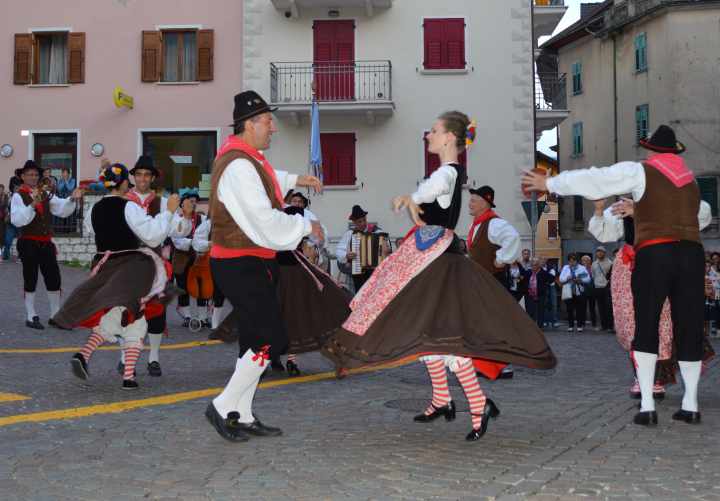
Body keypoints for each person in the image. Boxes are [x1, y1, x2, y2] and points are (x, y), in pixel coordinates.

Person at [323, 111, 556, 441]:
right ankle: (443, 399)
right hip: (430, 256)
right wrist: (415, 206)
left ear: (449, 138)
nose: (428, 135)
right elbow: (430, 203)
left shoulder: (447, 173)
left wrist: (412, 198)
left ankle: (478, 405)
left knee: (444, 337)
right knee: (430, 334)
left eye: (433, 131)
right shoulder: (446, 174)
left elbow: (435, 187)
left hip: (438, 263)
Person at [523, 124, 708, 425]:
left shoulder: (641, 172)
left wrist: (552, 182)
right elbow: (704, 215)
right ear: (675, 152)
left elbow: (597, 177)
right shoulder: (690, 182)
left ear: (651, 151)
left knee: (646, 323)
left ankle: (647, 406)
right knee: (688, 326)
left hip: (655, 253)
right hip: (691, 253)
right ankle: (691, 404)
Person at [204, 90, 323, 442]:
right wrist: (304, 225)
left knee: (256, 340)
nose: (273, 128)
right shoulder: (239, 165)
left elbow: (267, 177)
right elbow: (264, 221)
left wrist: (296, 179)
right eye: (269, 122)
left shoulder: (246, 158)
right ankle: (224, 405)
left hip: (250, 262)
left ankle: (242, 414)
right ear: (250, 124)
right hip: (240, 263)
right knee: (272, 338)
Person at [52, 163, 181, 389]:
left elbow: (92, 231)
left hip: (104, 265)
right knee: (132, 316)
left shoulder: (95, 208)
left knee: (126, 314)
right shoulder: (129, 207)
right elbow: (152, 236)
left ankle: (123, 373)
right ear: (123, 184)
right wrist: (169, 211)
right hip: (131, 268)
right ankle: (97, 360)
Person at [589, 197, 713, 400]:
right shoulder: (624, 203)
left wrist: (644, 208)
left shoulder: (673, 196)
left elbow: (702, 215)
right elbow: (604, 233)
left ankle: (654, 378)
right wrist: (599, 209)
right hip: (630, 265)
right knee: (631, 324)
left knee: (663, 323)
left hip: (664, 263)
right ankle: (641, 376)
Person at [121, 155, 189, 377]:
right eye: (138, 174)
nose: (142, 178)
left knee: (157, 312)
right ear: (133, 177)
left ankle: (154, 358)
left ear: (152, 178)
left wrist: (185, 217)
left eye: (146, 175)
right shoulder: (123, 201)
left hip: (156, 264)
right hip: (129, 262)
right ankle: (124, 357)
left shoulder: (162, 201)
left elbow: (178, 230)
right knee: (127, 310)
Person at [11, 160, 82, 329]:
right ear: (22, 176)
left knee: (53, 278)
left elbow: (61, 208)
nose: (33, 177)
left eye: (36, 174)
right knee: (31, 278)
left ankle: (55, 315)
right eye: (29, 174)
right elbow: (18, 220)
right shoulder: (18, 195)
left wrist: (71, 198)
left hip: (46, 242)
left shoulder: (46, 193)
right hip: (28, 242)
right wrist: (33, 204)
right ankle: (31, 315)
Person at [171, 189, 209, 328]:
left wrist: (201, 244)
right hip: (181, 257)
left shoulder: (203, 219)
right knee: (183, 288)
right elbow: (177, 241)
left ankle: (203, 317)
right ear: (182, 204)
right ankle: (187, 316)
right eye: (189, 202)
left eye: (194, 202)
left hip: (199, 258)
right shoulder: (177, 219)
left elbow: (206, 236)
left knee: (201, 287)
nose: (193, 204)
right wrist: (194, 242)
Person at [335, 205, 389, 292]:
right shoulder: (350, 234)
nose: (363, 223)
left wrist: (385, 249)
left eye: (364, 220)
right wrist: (347, 255)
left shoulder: (377, 232)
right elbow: (338, 251)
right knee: (359, 291)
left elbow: (387, 248)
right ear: (354, 222)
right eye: (359, 222)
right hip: (358, 271)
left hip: (375, 271)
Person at [559, 253, 590, 333]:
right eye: (570, 261)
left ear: (577, 261)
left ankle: (579, 325)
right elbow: (561, 279)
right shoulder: (566, 268)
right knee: (569, 309)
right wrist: (567, 277)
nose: (572, 262)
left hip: (579, 291)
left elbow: (588, 279)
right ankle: (570, 325)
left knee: (579, 309)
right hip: (569, 291)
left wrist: (580, 280)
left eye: (573, 260)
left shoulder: (582, 268)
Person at [525, 257, 553, 329]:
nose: (533, 266)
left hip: (540, 295)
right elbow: (524, 281)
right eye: (532, 265)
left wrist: (545, 285)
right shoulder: (528, 272)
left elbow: (551, 279)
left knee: (540, 310)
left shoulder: (543, 272)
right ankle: (531, 326)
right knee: (530, 310)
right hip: (530, 295)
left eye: (535, 265)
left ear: (538, 265)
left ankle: (540, 326)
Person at [591, 246, 614, 332]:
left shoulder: (610, 263)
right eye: (598, 252)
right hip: (597, 287)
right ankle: (603, 325)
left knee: (608, 307)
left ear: (604, 253)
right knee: (600, 307)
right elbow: (593, 275)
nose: (599, 253)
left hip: (606, 287)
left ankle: (610, 326)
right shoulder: (594, 264)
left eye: (601, 252)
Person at [580, 255, 596, 328]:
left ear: (590, 261)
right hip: (583, 290)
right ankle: (582, 323)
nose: (585, 262)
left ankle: (594, 323)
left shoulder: (593, 268)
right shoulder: (580, 269)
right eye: (583, 260)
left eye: (587, 260)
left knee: (592, 308)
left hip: (592, 290)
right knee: (583, 307)